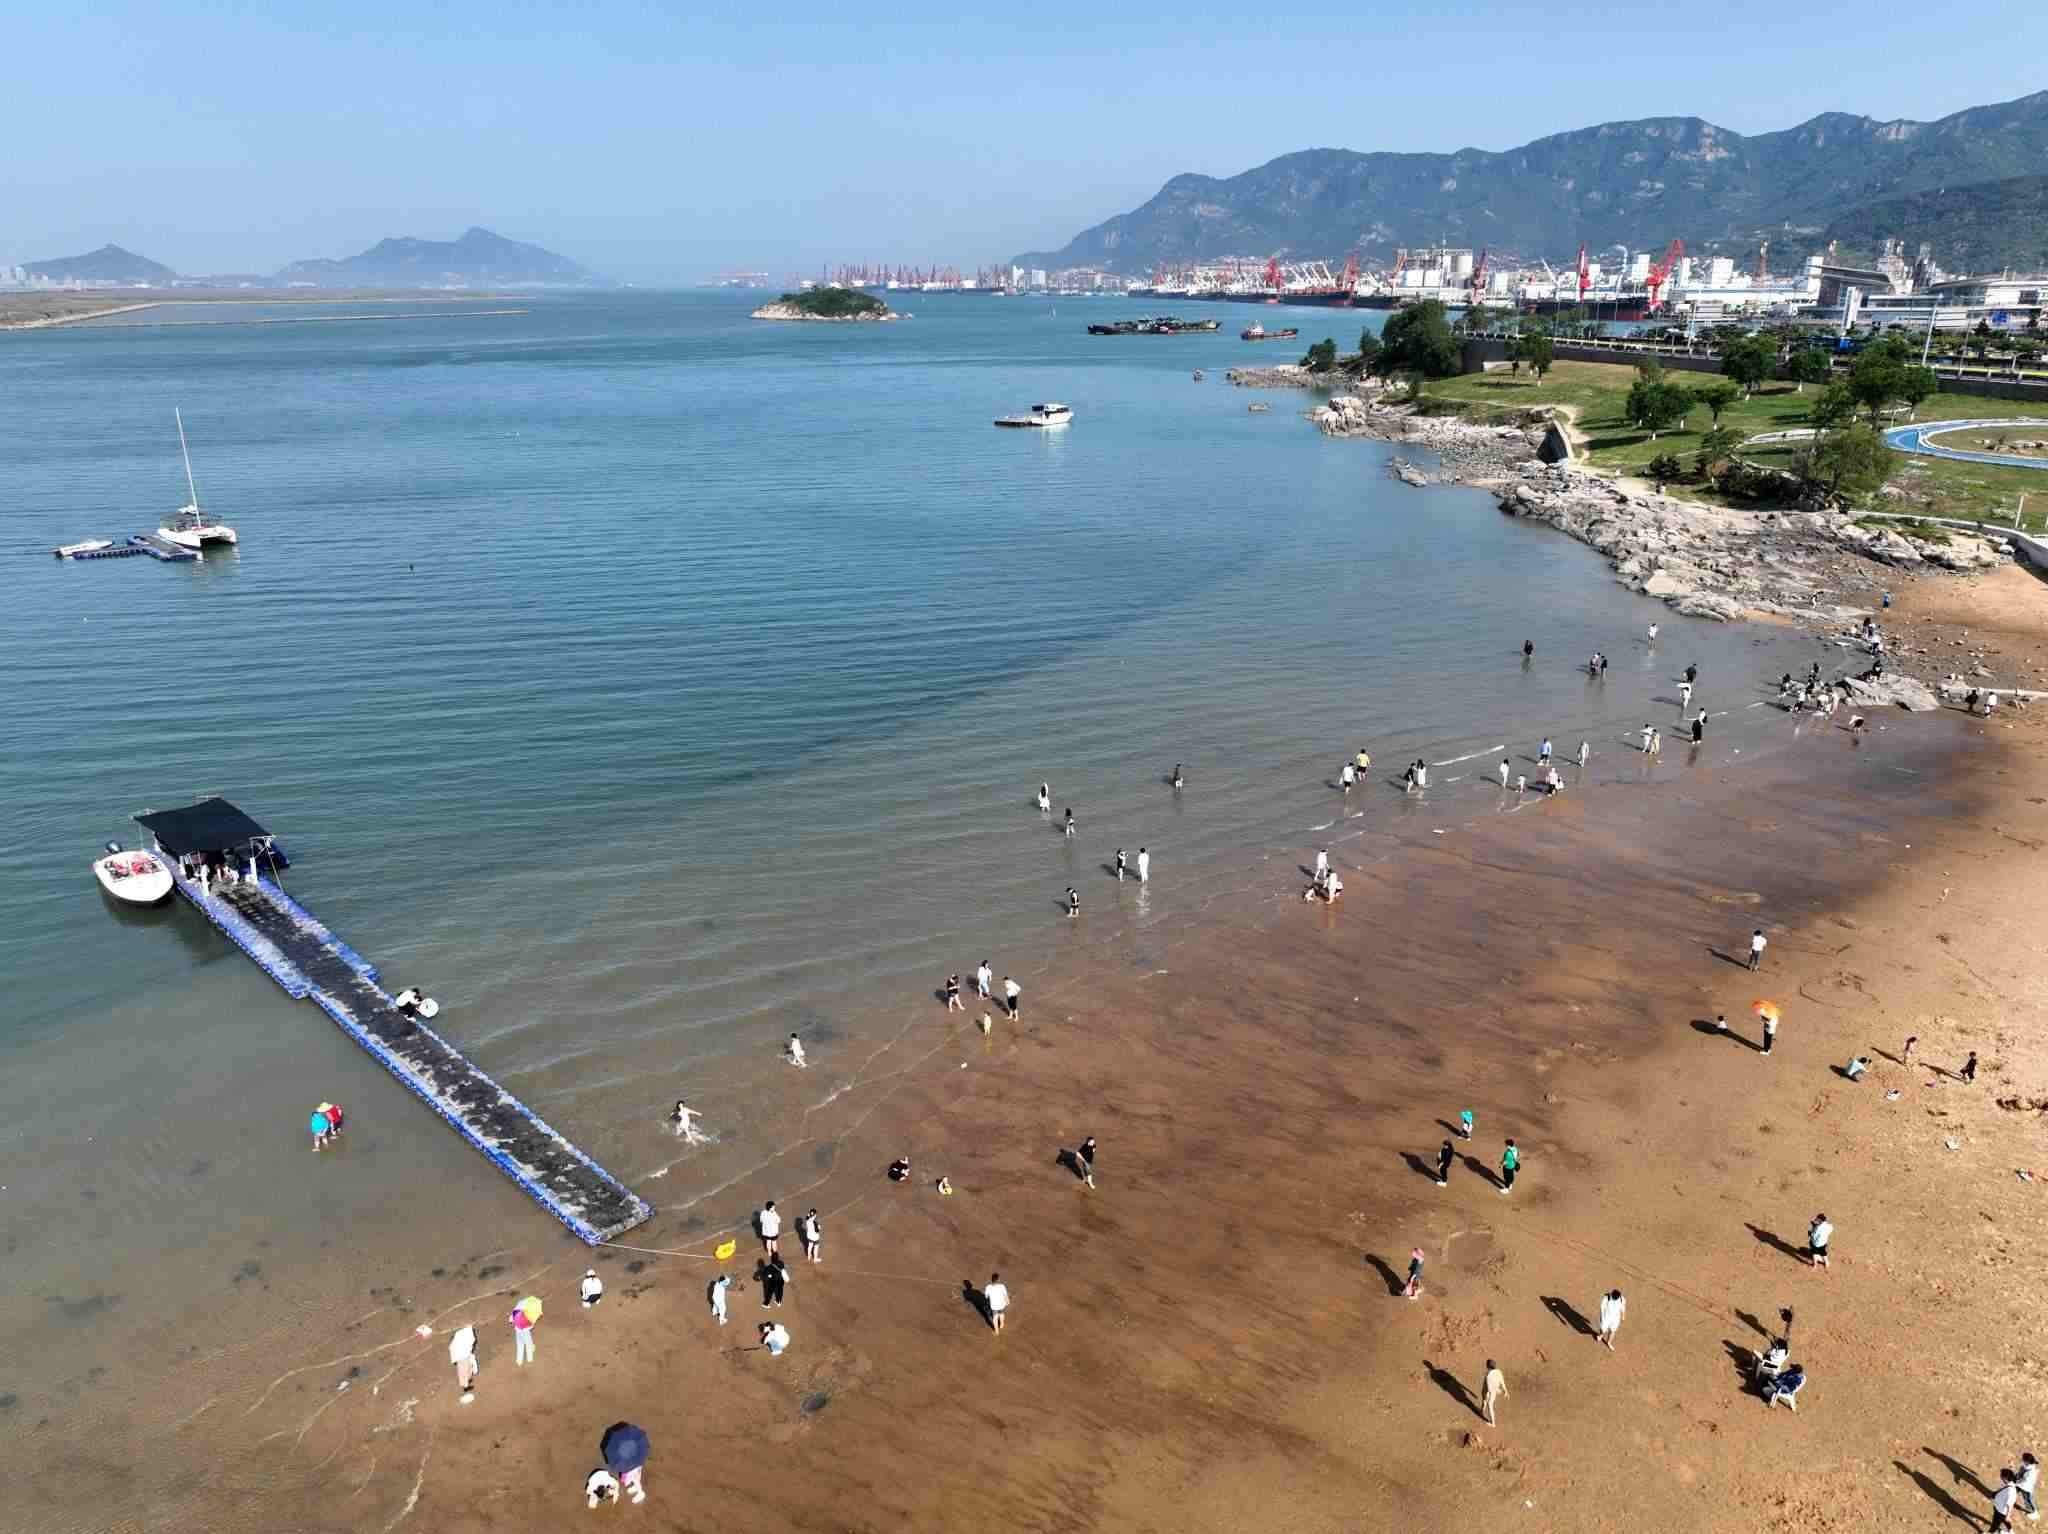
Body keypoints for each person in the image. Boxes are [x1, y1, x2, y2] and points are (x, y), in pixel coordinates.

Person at [449, 1323, 478, 1403]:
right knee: (463, 1371)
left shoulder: (460, 1335)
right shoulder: (464, 1337)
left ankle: (467, 1380)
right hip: (462, 1357)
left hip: (464, 1355)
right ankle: (465, 1386)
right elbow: (471, 1342)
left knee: (468, 1368)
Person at [509, 1300, 537, 1366]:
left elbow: (510, 1320)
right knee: (529, 1344)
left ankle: (519, 1361)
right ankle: (529, 1359)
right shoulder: (529, 1313)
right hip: (526, 1332)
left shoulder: (516, 1311)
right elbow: (531, 1324)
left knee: (520, 1345)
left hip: (518, 1331)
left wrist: (514, 1319)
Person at [1482, 1360, 1508, 1425]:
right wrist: (1505, 1391)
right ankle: (1482, 1410)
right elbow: (1502, 1381)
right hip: (1490, 1390)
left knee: (1489, 1404)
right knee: (1484, 1400)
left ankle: (1493, 1424)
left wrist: (1499, 1391)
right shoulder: (1499, 1372)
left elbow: (1490, 1389)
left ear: (1487, 1366)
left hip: (1491, 1390)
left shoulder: (1488, 1376)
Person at [2016, 1452, 2040, 1520]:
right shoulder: (2027, 1466)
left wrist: (2017, 1482)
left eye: (2023, 1459)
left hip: (2025, 1488)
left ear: (2027, 1461)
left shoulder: (2030, 1472)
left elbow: (2024, 1481)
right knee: (2014, 1490)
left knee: (2027, 1500)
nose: (2022, 1460)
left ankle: (2034, 1512)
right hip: (2021, 1484)